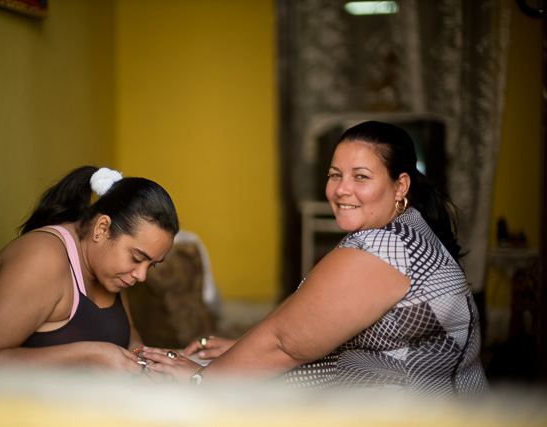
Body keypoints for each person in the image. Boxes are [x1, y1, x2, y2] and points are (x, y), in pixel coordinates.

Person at [143, 121, 489, 397]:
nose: (341, 189)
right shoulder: (405, 231)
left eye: (361, 177)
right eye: (335, 174)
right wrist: (242, 350)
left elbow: (285, 343)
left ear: (400, 186)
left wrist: (202, 380)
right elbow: (312, 316)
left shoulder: (387, 249)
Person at [0, 166, 179, 375]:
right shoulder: (42, 259)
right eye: (137, 258)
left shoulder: (111, 271)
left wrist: (140, 355)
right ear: (102, 229)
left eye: (151, 265)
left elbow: (127, 331)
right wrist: (88, 357)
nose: (141, 275)